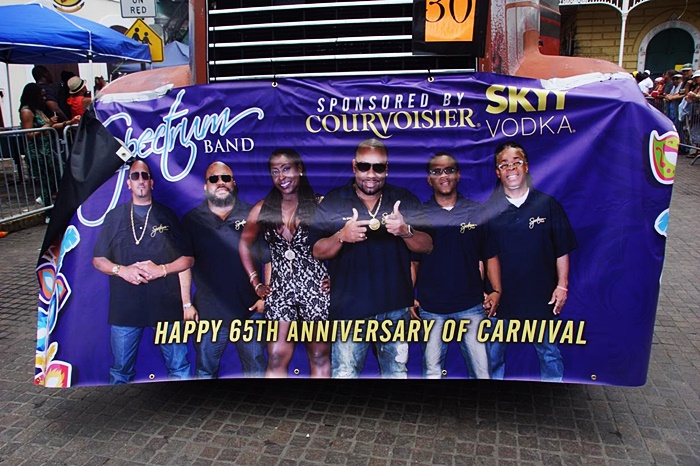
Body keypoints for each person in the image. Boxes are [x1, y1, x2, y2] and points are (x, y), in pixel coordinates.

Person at [310, 138, 433, 378]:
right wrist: (341, 236)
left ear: (387, 169)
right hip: (349, 308)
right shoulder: (334, 200)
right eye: (364, 166)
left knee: (396, 372)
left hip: (395, 307)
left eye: (378, 167)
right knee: (345, 373)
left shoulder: (403, 198)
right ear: (354, 166)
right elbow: (317, 250)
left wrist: (405, 231)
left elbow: (427, 245)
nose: (371, 174)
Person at [93, 159, 193, 384]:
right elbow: (98, 260)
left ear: (152, 182)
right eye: (135, 176)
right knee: (120, 371)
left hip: (166, 306)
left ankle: (186, 405)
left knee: (179, 367)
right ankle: (118, 407)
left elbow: (188, 258)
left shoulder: (167, 215)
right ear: (128, 183)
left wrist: (162, 270)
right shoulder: (114, 217)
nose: (140, 180)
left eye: (145, 176)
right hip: (125, 308)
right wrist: (121, 270)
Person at [483, 141, 577, 382]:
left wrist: (562, 286)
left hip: (541, 298)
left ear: (526, 167)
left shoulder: (548, 205)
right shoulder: (488, 211)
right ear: (497, 172)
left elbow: (562, 249)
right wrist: (480, 290)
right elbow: (480, 256)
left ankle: (553, 394)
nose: (511, 168)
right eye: (504, 165)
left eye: (516, 162)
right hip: (500, 300)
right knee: (492, 358)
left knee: (549, 354)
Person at [240, 149, 331, 378]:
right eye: (275, 172)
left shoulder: (320, 204)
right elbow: (244, 244)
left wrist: (336, 277)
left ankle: (320, 401)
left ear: (299, 169)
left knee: (319, 354)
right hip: (279, 291)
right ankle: (275, 401)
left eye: (286, 169)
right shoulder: (263, 208)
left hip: (315, 290)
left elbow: (342, 240)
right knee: (276, 356)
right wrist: (255, 282)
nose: (281, 177)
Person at [411, 152, 502, 379]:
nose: (444, 176)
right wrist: (407, 295)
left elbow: (490, 255)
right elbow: (413, 261)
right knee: (431, 372)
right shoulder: (420, 215)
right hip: (431, 308)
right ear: (429, 179)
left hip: (471, 305)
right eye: (437, 172)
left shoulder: (477, 212)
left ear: (458, 175)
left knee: (482, 372)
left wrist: (496, 291)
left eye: (449, 170)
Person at [179, 161, 267, 378]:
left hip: (249, 311)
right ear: (205, 186)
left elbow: (268, 259)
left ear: (233, 183)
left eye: (226, 178)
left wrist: (266, 297)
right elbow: (184, 264)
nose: (220, 183)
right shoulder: (192, 220)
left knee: (255, 371)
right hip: (209, 314)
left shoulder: (252, 215)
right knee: (205, 370)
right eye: (214, 179)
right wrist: (186, 304)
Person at [19, 83, 80, 208]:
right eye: (41, 95)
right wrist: (48, 124)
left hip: (48, 150)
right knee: (46, 181)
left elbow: (52, 126)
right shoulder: (26, 111)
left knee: (59, 174)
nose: (44, 98)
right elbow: (29, 134)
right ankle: (47, 208)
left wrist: (69, 122)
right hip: (38, 152)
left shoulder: (38, 110)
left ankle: (49, 201)